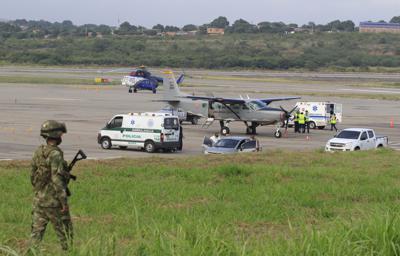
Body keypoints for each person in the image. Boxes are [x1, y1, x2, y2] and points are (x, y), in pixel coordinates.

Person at [29, 120, 73, 251]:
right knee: (65, 234)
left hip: (39, 201)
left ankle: (32, 253)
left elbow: (32, 176)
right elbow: (57, 180)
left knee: (36, 235)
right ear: (56, 135)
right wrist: (63, 202)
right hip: (54, 203)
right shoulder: (55, 154)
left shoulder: (38, 151)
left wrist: (40, 191)